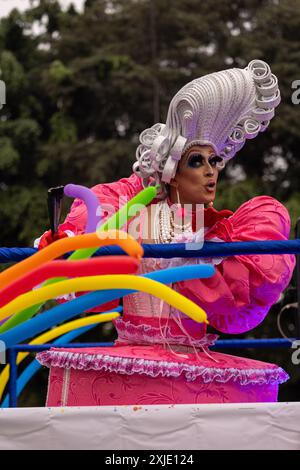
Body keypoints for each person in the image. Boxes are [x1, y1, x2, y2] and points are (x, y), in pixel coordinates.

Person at [37, 59, 296, 405]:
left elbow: (237, 302)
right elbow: (92, 221)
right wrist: (69, 240)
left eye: (214, 161)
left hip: (194, 366)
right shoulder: (131, 213)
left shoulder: (220, 233)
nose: (211, 172)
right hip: (131, 361)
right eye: (197, 161)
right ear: (172, 172)